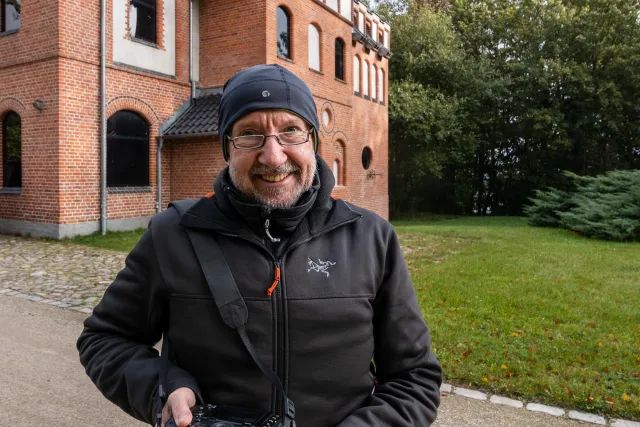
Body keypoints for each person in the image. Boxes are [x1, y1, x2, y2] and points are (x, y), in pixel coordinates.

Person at [77, 64, 442, 427]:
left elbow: (414, 378)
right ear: (227, 148)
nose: (273, 156)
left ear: (312, 141)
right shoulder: (172, 235)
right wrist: (164, 388)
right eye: (249, 134)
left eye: (290, 131)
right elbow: (105, 339)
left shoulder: (371, 239)